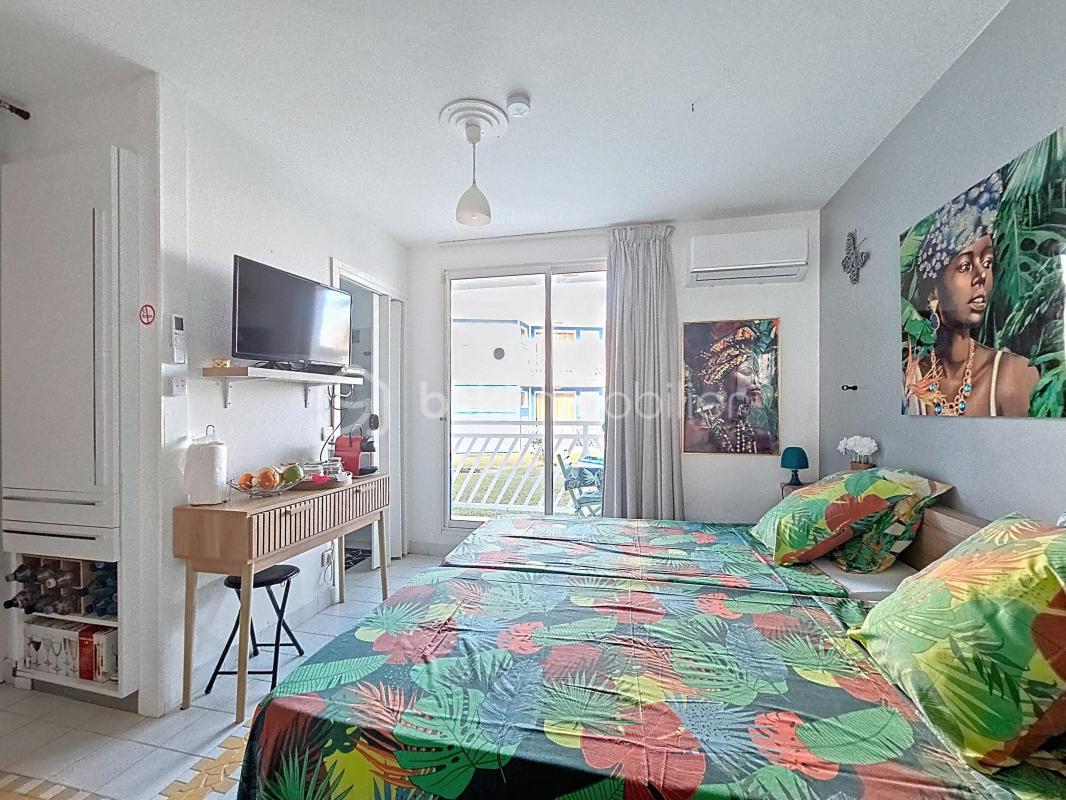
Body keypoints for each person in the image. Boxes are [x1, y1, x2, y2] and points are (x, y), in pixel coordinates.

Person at [904, 172, 1038, 416]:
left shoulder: (1014, 375)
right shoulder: (910, 381)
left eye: (987, 262)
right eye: (965, 266)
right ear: (933, 290)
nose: (981, 276)